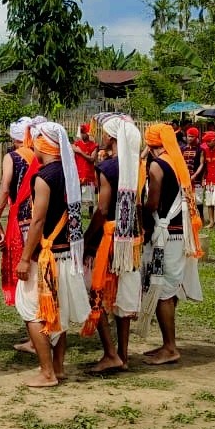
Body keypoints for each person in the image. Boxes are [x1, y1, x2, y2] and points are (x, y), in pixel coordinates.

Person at [13, 122, 91, 387]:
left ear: (42, 144)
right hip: (66, 253)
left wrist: (25, 258)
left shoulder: (44, 177)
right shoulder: (69, 173)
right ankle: (58, 367)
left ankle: (47, 372)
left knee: (32, 310)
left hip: (47, 257)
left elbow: (38, 221)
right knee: (59, 311)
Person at [140, 124, 204, 366]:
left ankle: (170, 347)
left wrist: (139, 214)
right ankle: (168, 343)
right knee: (168, 289)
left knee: (163, 290)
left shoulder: (158, 165)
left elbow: (153, 202)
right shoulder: (175, 161)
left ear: (150, 143)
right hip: (177, 234)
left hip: (165, 235)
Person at [82, 114, 142, 372]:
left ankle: (110, 352)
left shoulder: (107, 168)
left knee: (95, 291)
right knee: (123, 295)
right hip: (131, 237)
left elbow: (103, 208)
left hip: (109, 237)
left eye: (105, 133)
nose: (102, 136)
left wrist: (87, 237)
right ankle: (123, 355)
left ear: (112, 137)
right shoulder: (136, 166)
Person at [0, 117, 36, 307]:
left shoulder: (13, 157)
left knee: (25, 274)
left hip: (23, 221)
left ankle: (32, 317)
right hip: (41, 220)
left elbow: (4, 189)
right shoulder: (41, 155)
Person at [201, 130, 215, 228]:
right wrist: (203, 178)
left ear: (214, 140)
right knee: (209, 202)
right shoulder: (205, 151)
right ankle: (211, 221)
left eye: (209, 141)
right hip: (209, 180)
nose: (207, 143)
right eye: (206, 142)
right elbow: (204, 167)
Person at [73, 123, 98, 213]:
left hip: (88, 175)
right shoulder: (76, 144)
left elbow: (92, 159)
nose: (82, 134)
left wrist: (80, 152)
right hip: (78, 174)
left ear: (88, 133)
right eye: (81, 132)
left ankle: (90, 213)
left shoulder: (94, 145)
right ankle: (77, 212)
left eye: (84, 132)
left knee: (90, 198)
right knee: (77, 195)